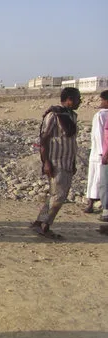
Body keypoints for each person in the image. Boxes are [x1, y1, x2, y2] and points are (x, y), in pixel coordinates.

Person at [31, 87, 81, 239]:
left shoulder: (72, 116)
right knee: (58, 196)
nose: (80, 102)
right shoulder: (53, 115)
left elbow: (71, 141)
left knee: (56, 194)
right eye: (78, 99)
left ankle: (40, 222)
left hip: (67, 162)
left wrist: (73, 163)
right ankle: (45, 227)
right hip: (55, 162)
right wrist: (46, 162)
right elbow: (44, 139)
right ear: (69, 99)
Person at [85, 90, 108, 214]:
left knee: (96, 179)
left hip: (99, 154)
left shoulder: (100, 115)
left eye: (102, 100)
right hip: (102, 152)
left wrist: (101, 153)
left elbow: (99, 135)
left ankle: (91, 204)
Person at [93, 91, 108, 220]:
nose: (101, 103)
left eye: (103, 100)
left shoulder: (101, 115)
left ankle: (106, 212)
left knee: (104, 183)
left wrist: (104, 154)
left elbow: (103, 137)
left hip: (105, 155)